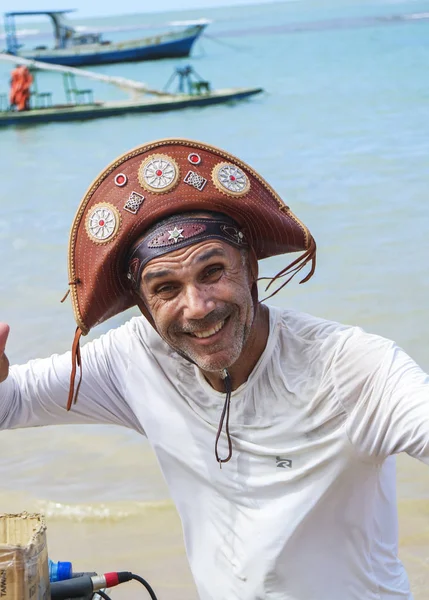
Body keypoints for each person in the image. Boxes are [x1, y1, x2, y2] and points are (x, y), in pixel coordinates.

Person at [0, 138, 428, 600]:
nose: (197, 308)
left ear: (249, 268)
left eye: (212, 272)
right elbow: (14, 402)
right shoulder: (135, 358)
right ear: (143, 308)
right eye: (165, 288)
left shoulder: (350, 367)